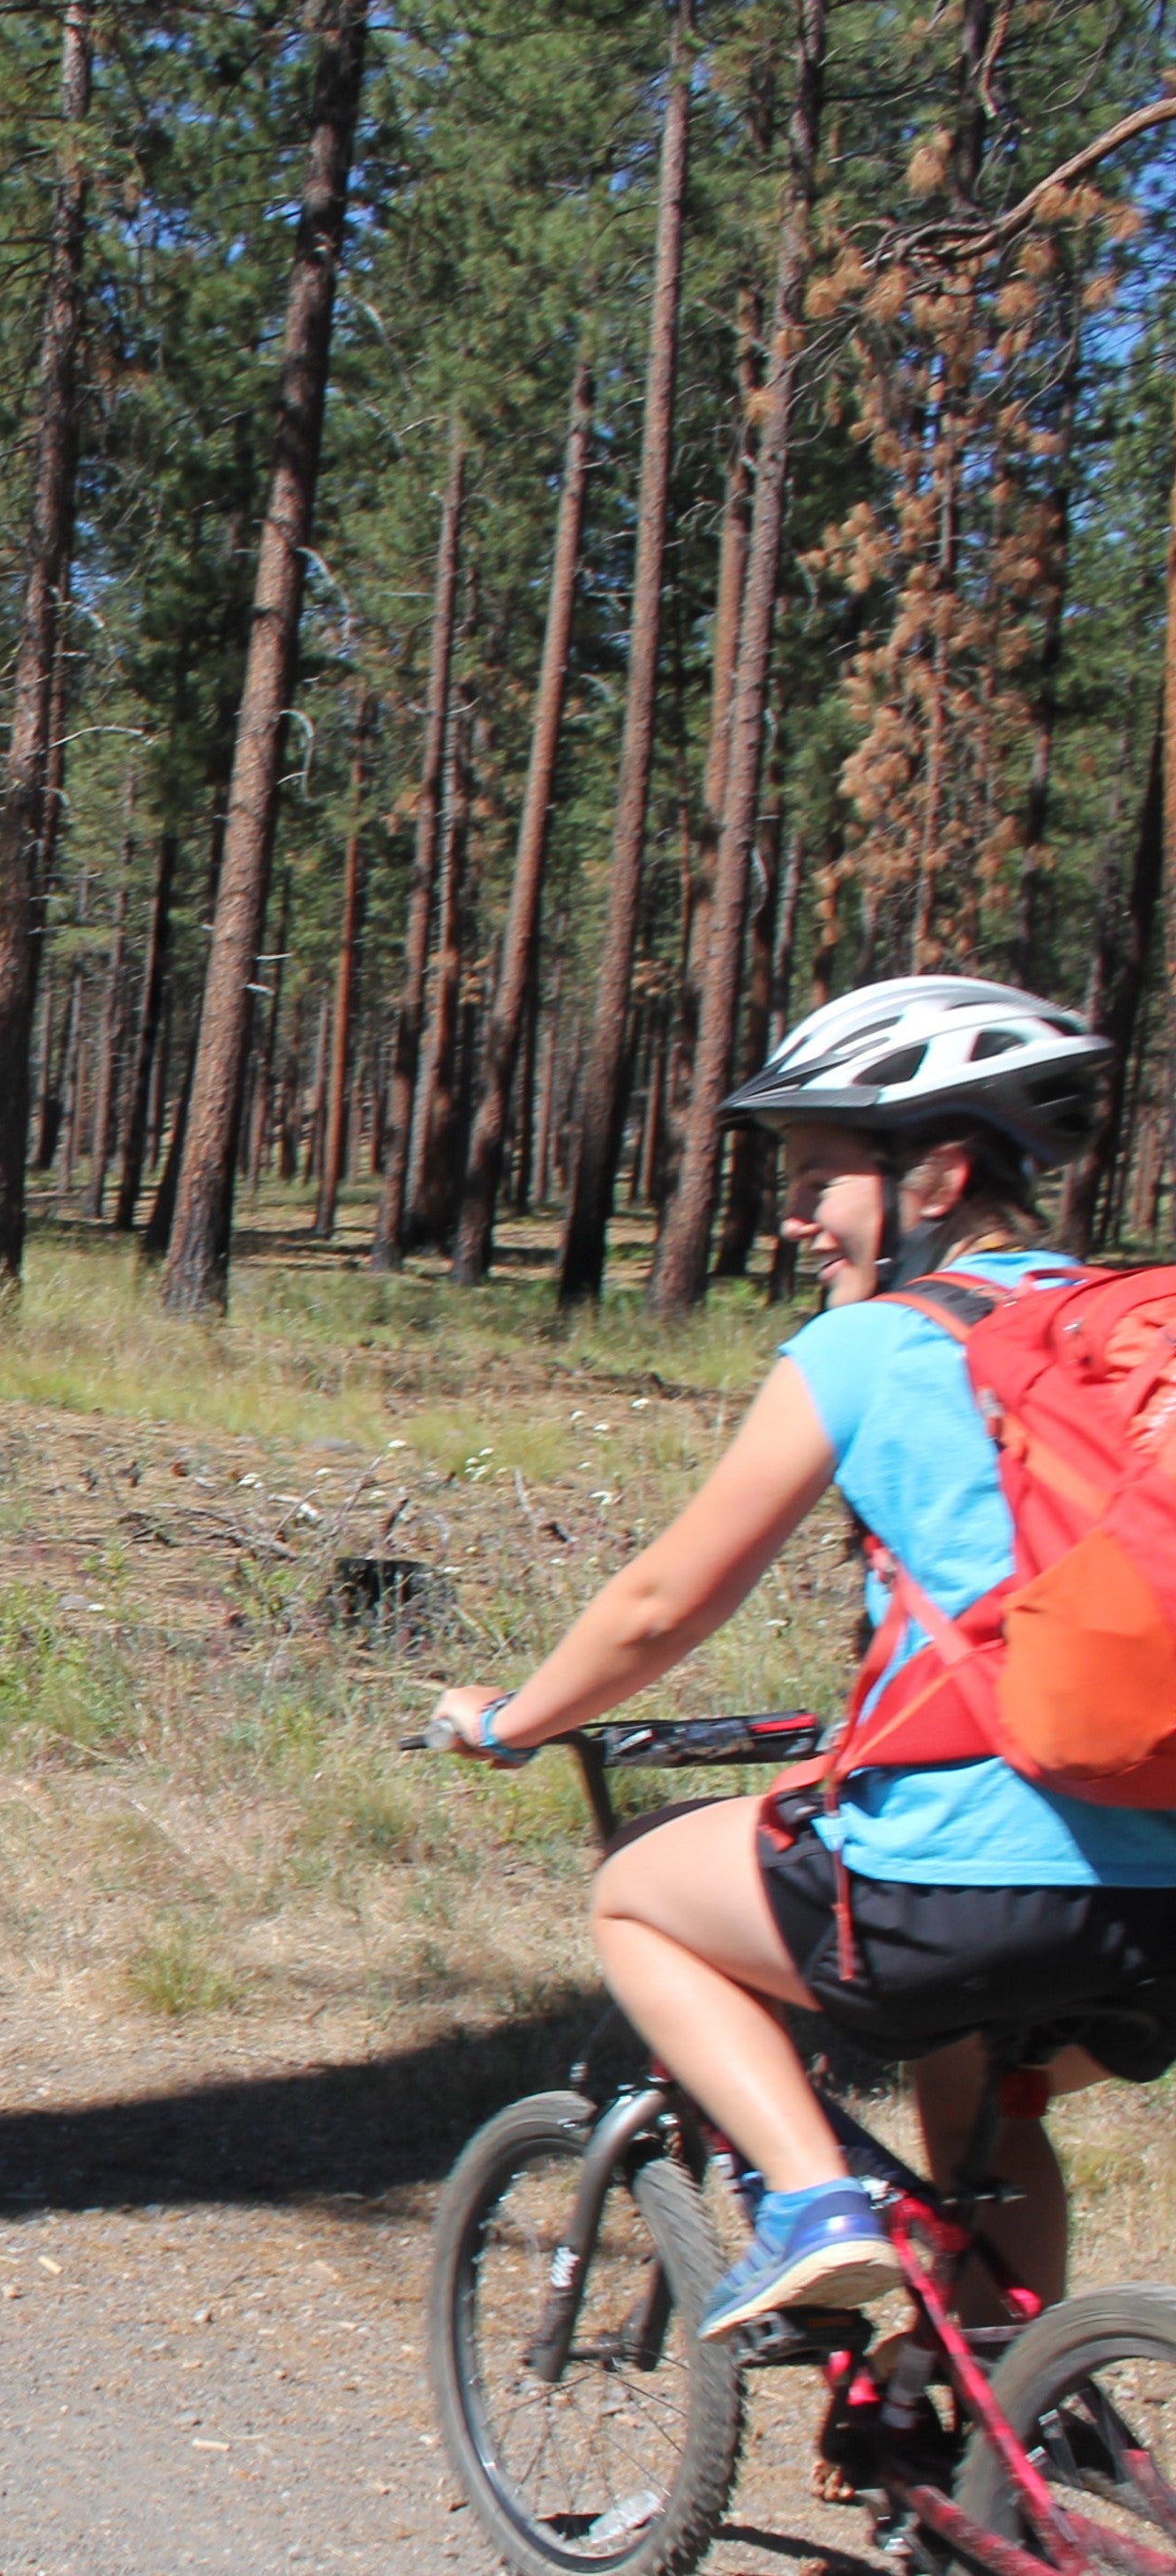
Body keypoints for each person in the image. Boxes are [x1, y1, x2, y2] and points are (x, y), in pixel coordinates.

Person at [430, 975, 1176, 2337]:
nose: (793, 1213)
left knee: (639, 1898)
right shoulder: (1139, 1348)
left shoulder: (874, 1346)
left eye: (821, 1175)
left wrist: (517, 1720)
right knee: (987, 2095)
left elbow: (665, 1601)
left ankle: (814, 2203)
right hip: (1164, 1891)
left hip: (962, 1886)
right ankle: (991, 2439)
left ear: (939, 1173)